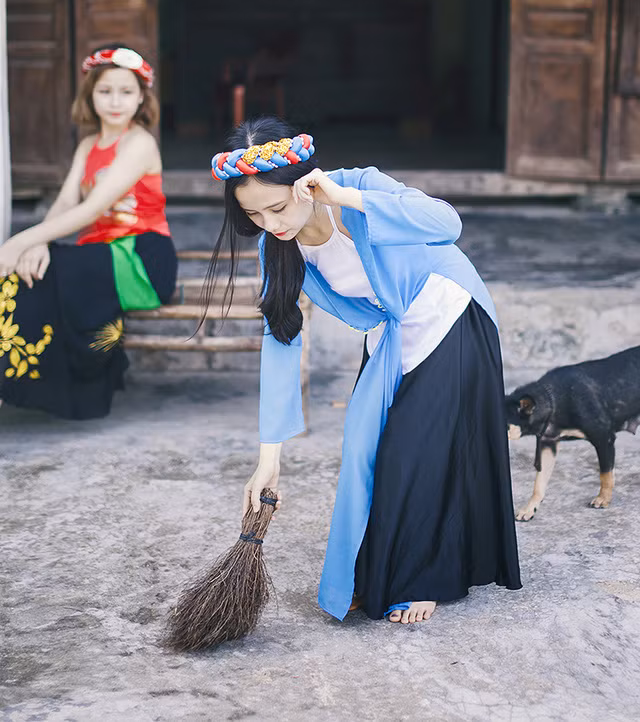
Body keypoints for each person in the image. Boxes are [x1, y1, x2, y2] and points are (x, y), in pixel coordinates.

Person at [208, 116, 521, 624]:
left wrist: (343, 198)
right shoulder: (277, 249)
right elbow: (281, 338)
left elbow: (447, 223)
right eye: (255, 216)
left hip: (448, 313)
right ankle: (371, 576)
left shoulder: (357, 187)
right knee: (368, 452)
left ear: (305, 184)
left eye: (278, 206)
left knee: (417, 450)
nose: (271, 224)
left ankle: (425, 579)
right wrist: (269, 457)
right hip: (393, 331)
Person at [0, 45, 177, 419]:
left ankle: (37, 381)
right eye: (105, 91)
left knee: (48, 265)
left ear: (142, 98)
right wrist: (41, 240)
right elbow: (65, 203)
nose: (115, 101)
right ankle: (16, 375)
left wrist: (21, 240)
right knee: (36, 268)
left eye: (126, 92)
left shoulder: (140, 143)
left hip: (142, 257)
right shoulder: (87, 145)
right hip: (99, 253)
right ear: (90, 94)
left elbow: (92, 208)